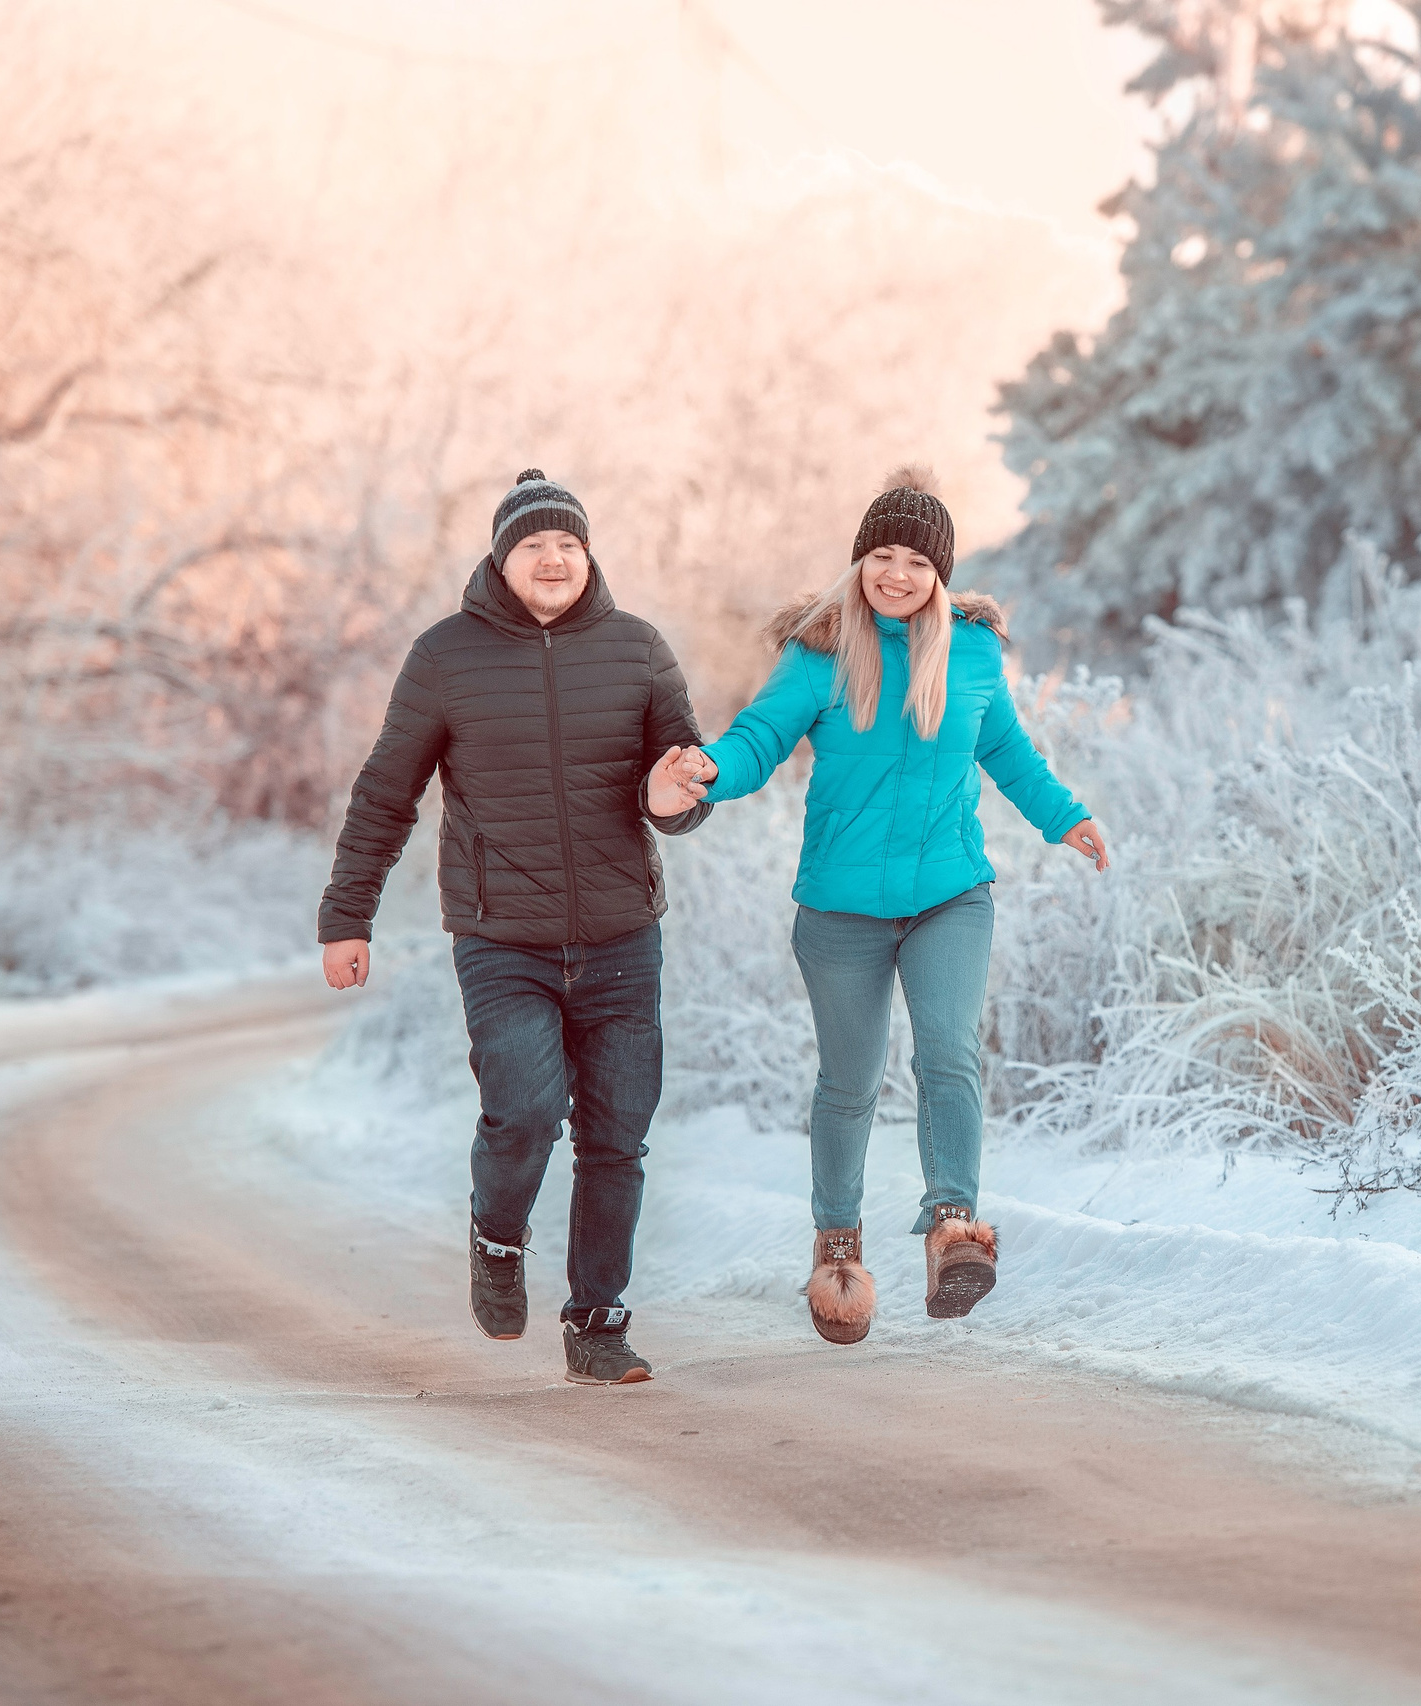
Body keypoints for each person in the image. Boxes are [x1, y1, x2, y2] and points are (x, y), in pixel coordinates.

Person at [644, 466, 1109, 1345]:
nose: (898, 574)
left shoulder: (971, 651)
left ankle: (954, 1228)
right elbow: (759, 739)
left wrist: (1065, 816)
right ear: (860, 560)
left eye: (917, 562)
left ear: (941, 575)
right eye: (883, 555)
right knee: (850, 1082)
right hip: (842, 911)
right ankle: (838, 1249)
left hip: (949, 895)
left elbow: (1007, 750)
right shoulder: (819, 651)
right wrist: (707, 767)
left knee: (949, 1051)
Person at [319, 469, 710, 1386]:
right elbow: (386, 793)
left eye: (569, 543)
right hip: (502, 940)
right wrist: (347, 916)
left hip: (622, 937)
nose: (554, 558)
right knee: (526, 1110)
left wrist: (677, 799)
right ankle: (497, 1237)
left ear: (589, 554)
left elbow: (684, 780)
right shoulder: (445, 657)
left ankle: (598, 1324)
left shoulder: (639, 649)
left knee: (617, 1137)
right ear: (501, 558)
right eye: (534, 544)